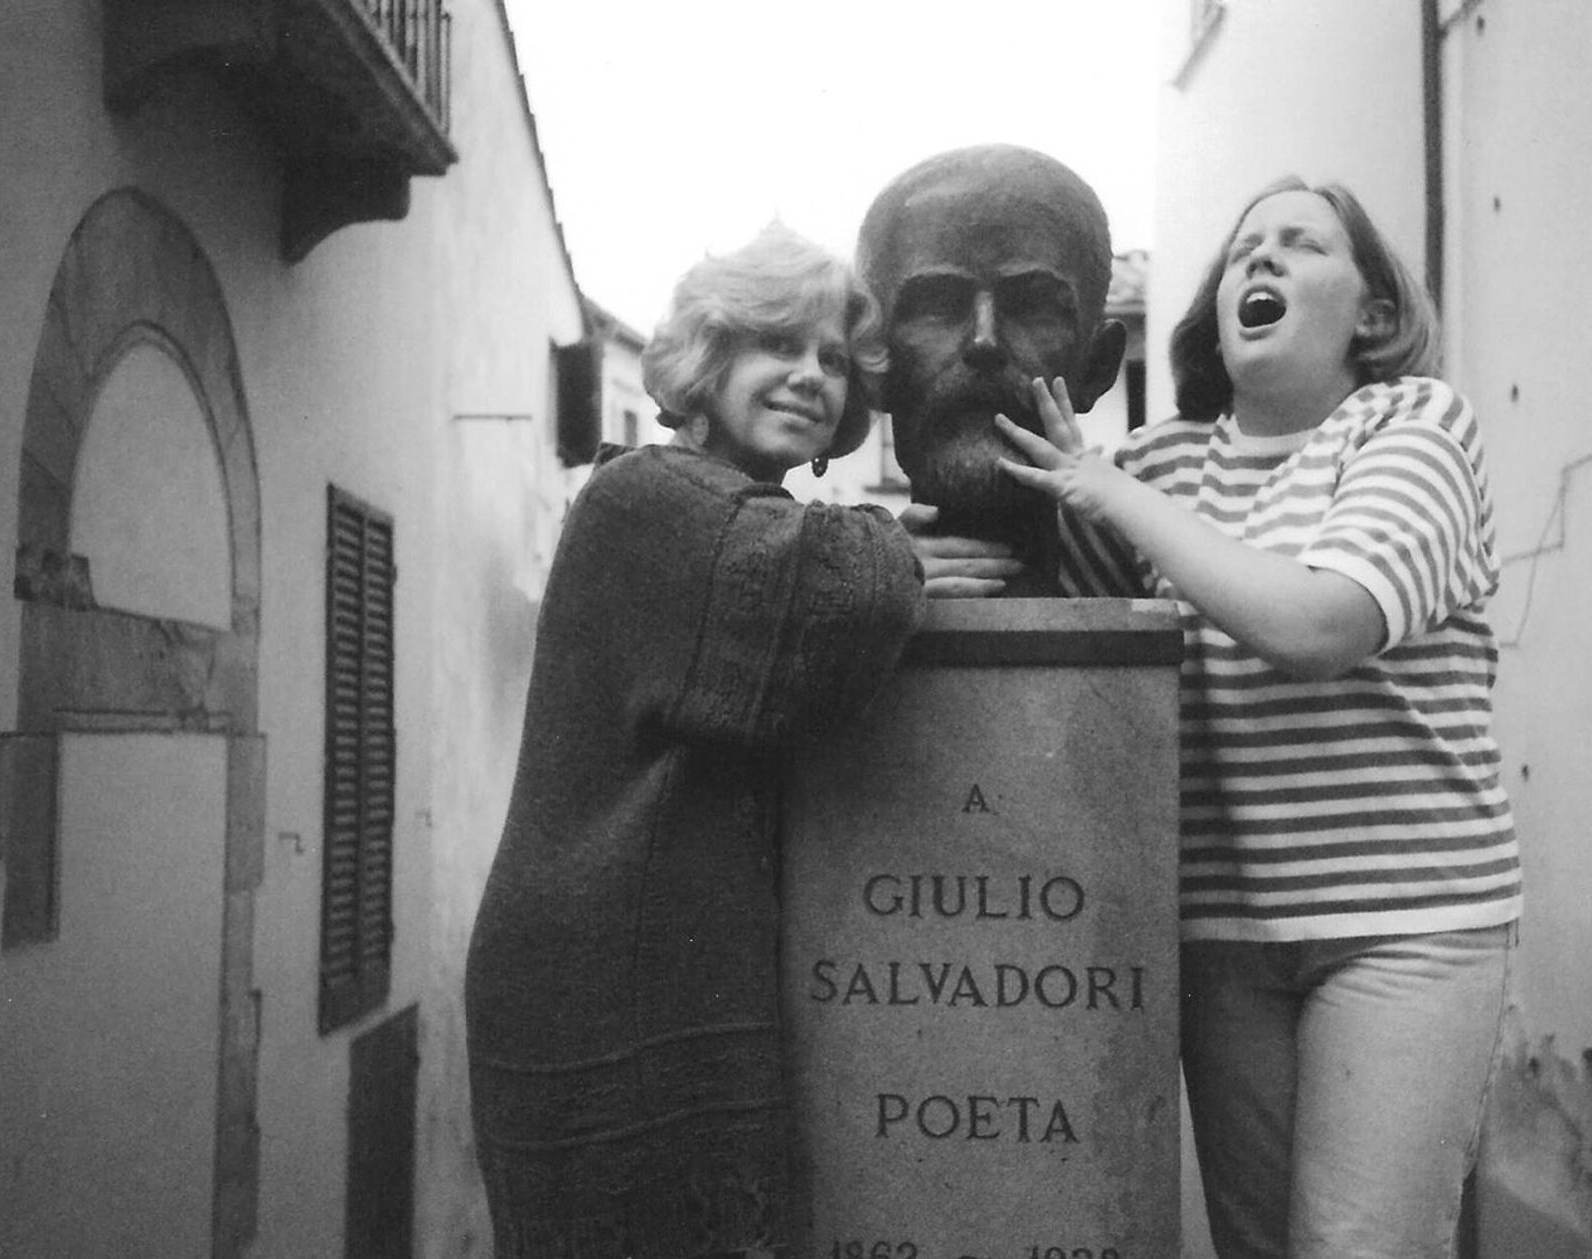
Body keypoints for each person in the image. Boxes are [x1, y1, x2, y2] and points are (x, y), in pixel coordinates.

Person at [995, 178, 1521, 1258]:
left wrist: (1113, 494)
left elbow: (1320, 622)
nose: (1264, 264)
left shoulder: (1411, 424)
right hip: (1224, 930)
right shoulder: (1153, 469)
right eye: (1245, 253)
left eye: (1302, 246)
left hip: (1406, 920)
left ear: (1371, 314)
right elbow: (1051, 627)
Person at [463, 224, 926, 1259]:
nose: (812, 376)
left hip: (643, 967)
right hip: (606, 984)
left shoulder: (744, 509)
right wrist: (915, 553)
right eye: (779, 344)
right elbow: (846, 591)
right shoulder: (648, 495)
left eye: (835, 361)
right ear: (709, 361)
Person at [856, 143, 1126, 595]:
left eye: (1032, 306)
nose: (985, 341)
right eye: (937, 307)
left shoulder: (1178, 587)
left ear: (1098, 365)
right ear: (871, 361)